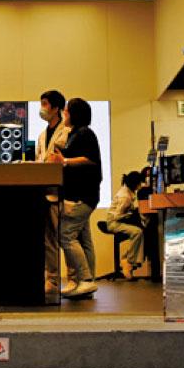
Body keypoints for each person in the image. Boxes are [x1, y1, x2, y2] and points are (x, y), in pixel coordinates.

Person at [52, 97, 102, 299]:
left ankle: (86, 280)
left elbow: (90, 159)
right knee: (83, 239)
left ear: (74, 113)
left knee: (65, 236)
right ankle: (87, 281)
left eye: (67, 110)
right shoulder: (76, 133)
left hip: (81, 196)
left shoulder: (84, 133)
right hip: (83, 195)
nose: (64, 113)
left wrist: (64, 160)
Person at [36, 89, 70, 294]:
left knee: (67, 239)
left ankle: (75, 279)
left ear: (56, 108)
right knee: (48, 240)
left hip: (63, 191)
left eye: (45, 104)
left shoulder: (66, 131)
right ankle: (52, 279)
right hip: (44, 191)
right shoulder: (42, 135)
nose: (42, 108)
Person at [105, 171, 145, 280]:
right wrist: (131, 214)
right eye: (139, 183)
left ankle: (130, 260)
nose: (140, 185)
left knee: (141, 230)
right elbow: (117, 216)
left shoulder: (127, 191)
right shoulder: (125, 197)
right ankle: (129, 262)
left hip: (118, 221)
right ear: (135, 184)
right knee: (137, 232)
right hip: (114, 223)